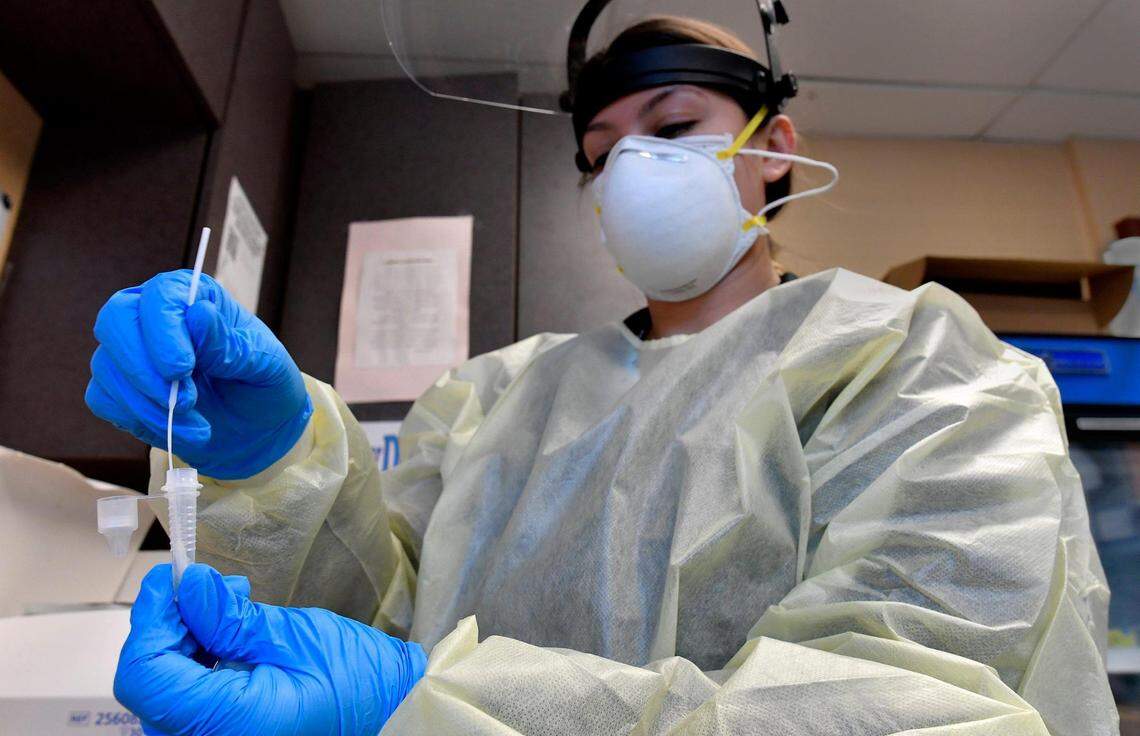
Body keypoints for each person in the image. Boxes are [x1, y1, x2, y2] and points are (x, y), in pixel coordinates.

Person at [86, 14, 1117, 736]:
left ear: (776, 150)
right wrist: (278, 469)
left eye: (672, 132)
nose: (632, 173)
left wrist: (433, 705)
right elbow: (363, 630)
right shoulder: (496, 397)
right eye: (602, 149)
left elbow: (924, 709)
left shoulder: (919, 369)